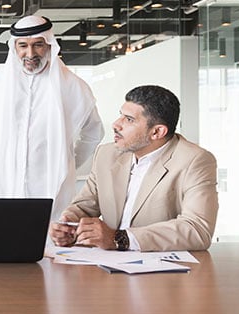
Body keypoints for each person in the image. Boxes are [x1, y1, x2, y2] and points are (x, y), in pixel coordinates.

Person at [49, 85, 219, 252]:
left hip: (161, 273)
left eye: (129, 120)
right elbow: (85, 206)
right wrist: (68, 223)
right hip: (105, 267)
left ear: (157, 132)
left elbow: (197, 229)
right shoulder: (106, 154)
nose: (116, 124)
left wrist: (120, 238)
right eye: (120, 115)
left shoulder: (195, 160)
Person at [0, 15, 104, 222]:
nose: (30, 53)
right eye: (23, 46)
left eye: (38, 45)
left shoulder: (72, 85)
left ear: (50, 45)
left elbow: (94, 132)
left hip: (52, 191)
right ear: (14, 48)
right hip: (6, 190)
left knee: (53, 247)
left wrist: (67, 160)